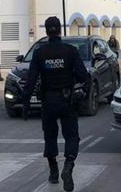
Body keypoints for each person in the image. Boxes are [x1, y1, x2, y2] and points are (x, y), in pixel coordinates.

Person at [21, 16, 90, 192]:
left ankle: (53, 171)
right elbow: (84, 76)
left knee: (50, 136)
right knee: (71, 136)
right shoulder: (70, 51)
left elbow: (31, 80)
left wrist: (26, 102)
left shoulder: (39, 52)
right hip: (67, 100)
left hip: (48, 101)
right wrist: (83, 93)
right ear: (60, 30)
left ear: (46, 31)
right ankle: (68, 165)